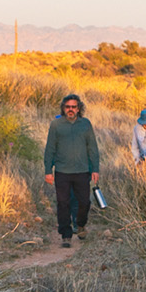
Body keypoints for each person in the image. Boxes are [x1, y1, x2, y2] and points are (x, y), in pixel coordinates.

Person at [44, 94, 101, 249]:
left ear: (78, 108)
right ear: (63, 108)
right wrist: (48, 170)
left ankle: (81, 225)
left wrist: (95, 169)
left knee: (84, 202)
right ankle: (66, 235)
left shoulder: (86, 124)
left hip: (82, 171)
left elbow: (92, 148)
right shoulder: (56, 125)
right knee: (63, 203)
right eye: (68, 107)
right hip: (62, 171)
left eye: (74, 107)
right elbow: (50, 149)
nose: (70, 110)